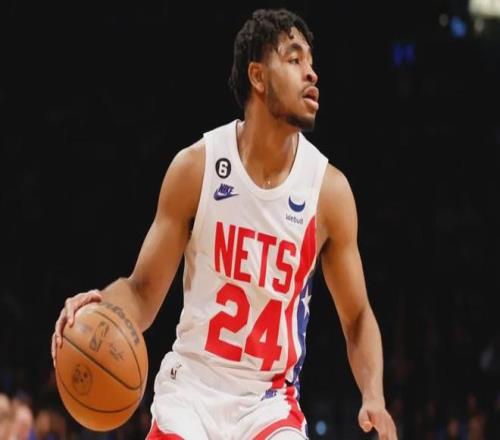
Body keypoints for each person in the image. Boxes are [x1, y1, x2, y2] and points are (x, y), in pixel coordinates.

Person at [51, 8, 397, 440]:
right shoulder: (196, 168)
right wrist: (99, 306)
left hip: (269, 403)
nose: (311, 73)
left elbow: (358, 316)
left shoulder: (329, 193)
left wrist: (373, 394)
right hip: (191, 391)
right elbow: (141, 292)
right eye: (294, 59)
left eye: (311, 62)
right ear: (258, 76)